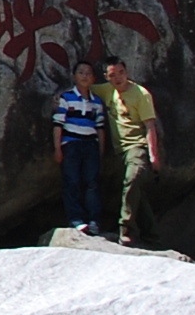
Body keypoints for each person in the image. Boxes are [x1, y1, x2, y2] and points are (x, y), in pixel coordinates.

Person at [101, 57, 163, 245]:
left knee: (132, 179)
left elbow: (150, 126)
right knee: (136, 193)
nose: (118, 78)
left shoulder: (140, 94)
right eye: (113, 75)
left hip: (137, 147)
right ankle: (152, 236)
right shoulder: (106, 91)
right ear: (107, 77)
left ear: (127, 72)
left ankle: (126, 227)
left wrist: (154, 156)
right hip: (120, 152)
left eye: (121, 73)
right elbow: (85, 87)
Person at [52, 60, 108, 235]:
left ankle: (93, 220)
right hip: (71, 144)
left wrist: (101, 151)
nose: (85, 76)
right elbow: (58, 124)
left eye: (88, 73)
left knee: (92, 183)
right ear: (74, 76)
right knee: (72, 182)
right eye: (81, 72)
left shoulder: (97, 102)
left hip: (90, 144)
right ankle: (76, 219)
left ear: (93, 78)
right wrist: (58, 148)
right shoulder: (66, 98)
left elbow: (100, 128)